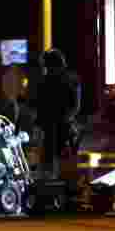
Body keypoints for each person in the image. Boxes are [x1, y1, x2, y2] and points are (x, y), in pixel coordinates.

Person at [35, 49, 82, 180]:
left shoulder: (45, 81)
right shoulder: (71, 79)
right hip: (62, 128)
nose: (46, 69)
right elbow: (76, 106)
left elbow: (40, 106)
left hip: (55, 129)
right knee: (64, 162)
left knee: (51, 163)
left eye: (46, 66)